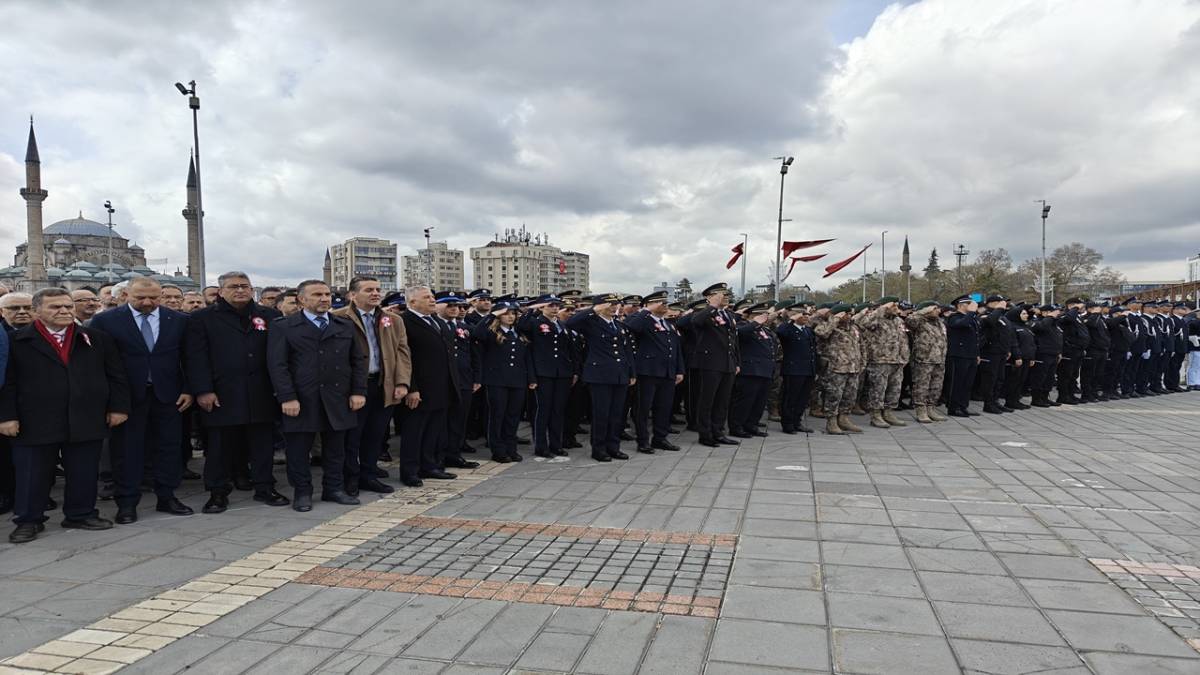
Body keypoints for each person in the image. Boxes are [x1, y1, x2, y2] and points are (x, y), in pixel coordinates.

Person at [0, 287, 131, 543]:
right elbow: (8, 383)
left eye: (68, 306)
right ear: (37, 311)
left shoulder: (96, 338)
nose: (64, 311)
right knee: (32, 474)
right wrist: (6, 416)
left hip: (86, 416)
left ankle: (81, 513)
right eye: (55, 307)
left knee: (83, 470)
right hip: (33, 420)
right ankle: (28, 520)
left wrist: (118, 407)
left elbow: (116, 376)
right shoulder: (17, 342)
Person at [89, 277, 194, 524]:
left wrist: (189, 389)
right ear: (126, 295)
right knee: (127, 451)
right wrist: (110, 402)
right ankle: (126, 503)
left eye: (154, 298)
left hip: (169, 396)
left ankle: (167, 497)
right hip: (126, 399)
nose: (147, 302)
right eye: (140, 298)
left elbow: (190, 357)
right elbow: (98, 363)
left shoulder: (179, 320)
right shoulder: (106, 321)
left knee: (169, 448)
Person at [187, 271, 289, 513]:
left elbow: (279, 355)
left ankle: (265, 487)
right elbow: (195, 358)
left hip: (261, 392)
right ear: (221, 291)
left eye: (245, 286)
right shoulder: (202, 318)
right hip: (222, 393)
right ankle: (218, 492)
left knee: (262, 444)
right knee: (219, 447)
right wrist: (203, 390)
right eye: (234, 286)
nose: (240, 290)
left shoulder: (270, 316)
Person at [267, 280, 366, 511]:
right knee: (299, 450)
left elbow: (357, 361)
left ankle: (334, 488)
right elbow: (278, 365)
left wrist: (358, 392)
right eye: (317, 294)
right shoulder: (284, 326)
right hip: (301, 398)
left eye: (327, 294)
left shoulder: (344, 325)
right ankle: (302, 492)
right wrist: (287, 397)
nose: (324, 298)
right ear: (301, 299)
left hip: (338, 397)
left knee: (336, 449)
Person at [332, 276, 412, 495]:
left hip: (382, 384)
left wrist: (402, 382)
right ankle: (350, 478)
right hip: (353, 388)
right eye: (369, 290)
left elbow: (402, 352)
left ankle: (368, 475)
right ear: (352, 295)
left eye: (378, 289)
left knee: (375, 434)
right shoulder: (338, 318)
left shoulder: (393, 319)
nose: (376, 293)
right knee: (352, 437)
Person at [397, 286, 461, 485]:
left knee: (434, 430)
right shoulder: (405, 321)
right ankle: (410, 472)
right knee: (414, 432)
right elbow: (405, 358)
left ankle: (429, 466)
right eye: (427, 297)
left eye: (432, 297)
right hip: (419, 388)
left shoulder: (436, 321)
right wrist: (412, 387)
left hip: (441, 386)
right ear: (412, 302)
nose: (433, 300)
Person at [565, 293, 637, 461]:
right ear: (600, 306)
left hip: (619, 375)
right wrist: (593, 309)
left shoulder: (619, 325)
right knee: (601, 414)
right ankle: (599, 449)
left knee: (617, 414)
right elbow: (570, 323)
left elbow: (626, 351)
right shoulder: (590, 323)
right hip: (600, 376)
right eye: (609, 304)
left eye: (616, 304)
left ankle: (613, 447)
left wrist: (631, 372)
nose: (614, 307)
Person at [676, 283, 740, 448]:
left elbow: (733, 340)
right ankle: (705, 434)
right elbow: (694, 322)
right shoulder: (703, 313)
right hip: (710, 363)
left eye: (726, 294)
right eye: (720, 294)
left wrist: (736, 361)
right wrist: (712, 306)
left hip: (728, 363)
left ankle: (718, 432)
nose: (724, 297)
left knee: (722, 400)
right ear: (709, 297)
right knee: (707, 400)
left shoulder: (728, 314)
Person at [473, 300, 537, 463]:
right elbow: (477, 333)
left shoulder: (519, 332)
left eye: (513, 313)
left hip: (518, 380)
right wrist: (492, 314)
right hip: (497, 381)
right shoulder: (491, 332)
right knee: (497, 416)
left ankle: (511, 448)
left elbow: (527, 358)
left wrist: (531, 378)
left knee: (513, 416)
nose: (510, 317)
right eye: (506, 313)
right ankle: (498, 450)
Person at [516, 295, 578, 458]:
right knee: (543, 410)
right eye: (550, 305)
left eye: (557, 305)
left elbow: (570, 350)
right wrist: (531, 309)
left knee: (558, 410)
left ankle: (556, 445)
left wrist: (574, 371)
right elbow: (521, 326)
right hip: (543, 372)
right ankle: (541, 446)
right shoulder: (535, 322)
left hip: (562, 373)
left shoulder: (562, 325)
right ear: (542, 307)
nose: (555, 308)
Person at [623, 290, 684, 452]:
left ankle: (660, 438)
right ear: (649, 304)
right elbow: (630, 326)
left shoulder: (668, 324)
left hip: (668, 373)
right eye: (660, 302)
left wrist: (679, 370)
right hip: (648, 372)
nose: (665, 305)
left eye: (665, 302)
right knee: (643, 408)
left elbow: (676, 348)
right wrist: (646, 311)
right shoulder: (643, 320)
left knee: (664, 407)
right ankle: (643, 441)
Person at [436, 292, 482, 469]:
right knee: (442, 421)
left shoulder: (465, 326)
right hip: (444, 380)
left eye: (458, 306)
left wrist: (477, 377)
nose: (455, 309)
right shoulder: (436, 325)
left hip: (464, 380)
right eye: (449, 305)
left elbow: (473, 354)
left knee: (459, 419)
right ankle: (439, 456)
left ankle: (454, 454)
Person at [857, 297, 910, 428]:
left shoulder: (898, 320)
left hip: (897, 360)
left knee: (895, 389)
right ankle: (876, 415)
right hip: (880, 359)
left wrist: (904, 356)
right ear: (885, 306)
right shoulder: (876, 318)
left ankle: (888, 412)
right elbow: (861, 323)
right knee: (878, 389)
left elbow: (903, 339)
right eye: (893, 306)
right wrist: (879, 310)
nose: (896, 308)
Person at [812, 303, 864, 434]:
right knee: (834, 395)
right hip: (836, 367)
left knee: (850, 395)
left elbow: (861, 345)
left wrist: (862, 362)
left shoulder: (853, 328)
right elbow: (822, 333)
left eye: (849, 314)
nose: (849, 316)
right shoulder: (826, 326)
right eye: (846, 314)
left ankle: (844, 419)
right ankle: (832, 422)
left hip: (853, 367)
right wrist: (834, 319)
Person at [728, 303, 777, 438]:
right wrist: (754, 323)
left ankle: (751, 425)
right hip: (750, 371)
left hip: (765, 370)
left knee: (759, 402)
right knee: (744, 401)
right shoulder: (743, 326)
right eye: (761, 314)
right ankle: (736, 426)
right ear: (752, 316)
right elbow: (740, 334)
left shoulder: (765, 330)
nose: (765, 317)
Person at [777, 303, 817, 433]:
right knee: (790, 398)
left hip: (808, 369)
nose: (806, 316)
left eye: (806, 314)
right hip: (794, 369)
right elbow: (780, 332)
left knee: (803, 398)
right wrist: (791, 320)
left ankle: (797, 421)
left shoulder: (807, 330)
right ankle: (787, 423)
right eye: (802, 314)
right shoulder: (788, 329)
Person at [905, 301, 948, 423]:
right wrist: (920, 312)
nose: (938, 311)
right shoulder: (919, 321)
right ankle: (921, 409)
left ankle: (931, 408)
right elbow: (909, 321)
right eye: (935, 308)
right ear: (927, 310)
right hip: (924, 359)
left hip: (939, 359)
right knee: (922, 385)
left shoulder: (939, 322)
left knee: (936, 386)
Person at [944, 295, 981, 417]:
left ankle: (963, 405)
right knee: (957, 382)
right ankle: (954, 408)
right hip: (958, 355)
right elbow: (962, 325)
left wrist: (976, 354)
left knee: (967, 383)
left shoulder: (970, 318)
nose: (971, 306)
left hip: (970, 355)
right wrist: (971, 312)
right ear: (960, 305)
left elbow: (974, 338)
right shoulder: (954, 317)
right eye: (968, 304)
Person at [976, 295, 1013, 414]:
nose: (1003, 305)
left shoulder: (1002, 316)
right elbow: (990, 321)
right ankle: (988, 403)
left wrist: (1007, 350)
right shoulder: (986, 314)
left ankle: (995, 401)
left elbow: (1006, 334)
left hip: (1001, 352)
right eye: (1000, 302)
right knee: (990, 379)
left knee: (999, 378)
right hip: (990, 352)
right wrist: (999, 309)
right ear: (991, 303)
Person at [1004, 306, 1035, 409]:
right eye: (1023, 314)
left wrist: (1032, 358)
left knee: (1021, 381)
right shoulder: (1012, 327)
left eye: (1026, 314)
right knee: (1014, 381)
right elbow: (1014, 343)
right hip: (1018, 359)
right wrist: (1017, 356)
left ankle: (1016, 400)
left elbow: (1031, 343)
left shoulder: (1026, 326)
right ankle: (1010, 401)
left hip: (1026, 358)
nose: (1026, 315)